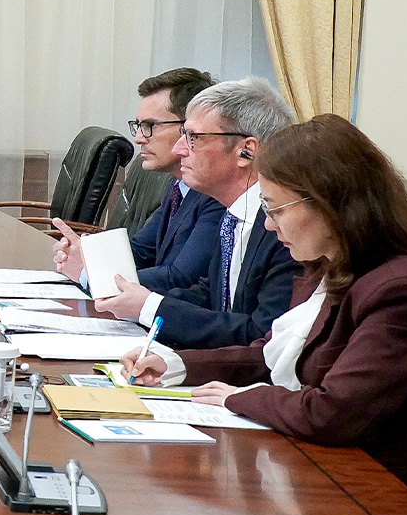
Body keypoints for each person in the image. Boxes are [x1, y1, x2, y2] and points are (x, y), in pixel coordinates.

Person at [120, 115, 407, 491]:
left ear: (328, 204)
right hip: (316, 464)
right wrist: (175, 364)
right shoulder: (335, 264)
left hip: (379, 491)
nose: (269, 226)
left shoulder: (402, 291)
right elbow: (270, 353)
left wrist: (241, 399)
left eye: (276, 210)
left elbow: (331, 413)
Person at [92, 78, 298, 349]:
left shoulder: (282, 228)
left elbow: (261, 336)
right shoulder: (234, 214)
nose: (179, 149)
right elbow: (211, 296)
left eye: (193, 138)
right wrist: (138, 303)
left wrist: (149, 307)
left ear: (246, 151)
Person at [54, 68, 225, 291]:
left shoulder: (216, 194)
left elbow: (180, 279)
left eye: (150, 126)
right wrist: (88, 254)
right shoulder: (179, 186)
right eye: (138, 126)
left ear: (189, 128)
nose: (138, 138)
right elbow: (140, 251)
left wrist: (91, 275)